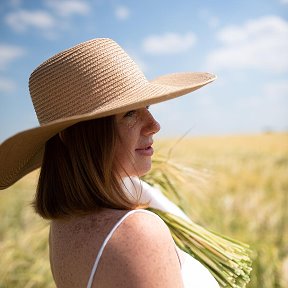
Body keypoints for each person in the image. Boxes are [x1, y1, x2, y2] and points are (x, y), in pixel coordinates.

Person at [0, 38, 219, 287]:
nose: (155, 125)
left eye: (146, 107)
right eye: (129, 114)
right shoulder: (137, 233)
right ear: (77, 137)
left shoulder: (64, 227)